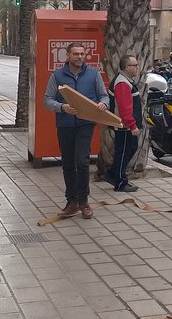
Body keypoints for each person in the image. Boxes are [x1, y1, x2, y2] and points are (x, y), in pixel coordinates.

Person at [43, 42, 109, 219]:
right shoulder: (57, 75)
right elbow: (47, 100)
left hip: (86, 124)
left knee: (82, 162)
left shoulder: (93, 74)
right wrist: (62, 107)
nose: (80, 57)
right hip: (65, 124)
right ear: (68, 55)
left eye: (82, 53)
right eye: (76, 54)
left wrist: (104, 104)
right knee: (68, 163)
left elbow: (104, 95)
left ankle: (83, 201)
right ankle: (71, 202)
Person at [109, 55, 142, 193]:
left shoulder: (125, 80)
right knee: (123, 152)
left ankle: (112, 174)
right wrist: (132, 125)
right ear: (127, 67)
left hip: (125, 125)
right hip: (124, 126)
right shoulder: (122, 83)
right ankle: (120, 182)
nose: (137, 68)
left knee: (130, 148)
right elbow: (125, 108)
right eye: (135, 65)